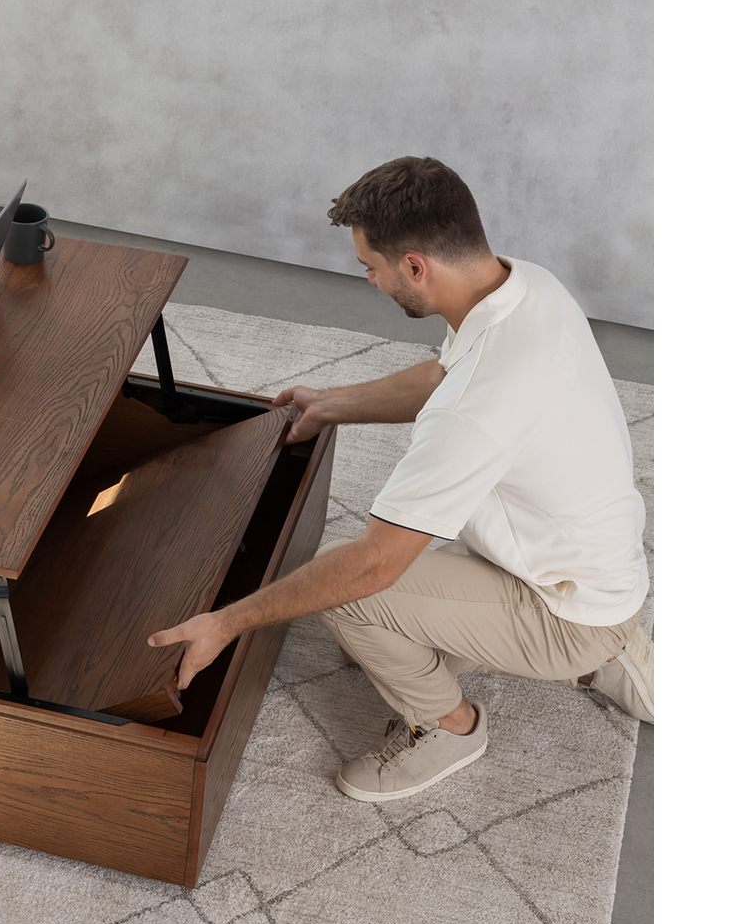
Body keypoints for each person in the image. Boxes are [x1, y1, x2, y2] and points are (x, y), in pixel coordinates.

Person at [146, 156, 653, 802]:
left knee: (349, 593)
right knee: (373, 621)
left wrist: (225, 623)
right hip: (586, 561)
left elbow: (373, 566)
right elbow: (440, 376)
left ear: (415, 265)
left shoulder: (477, 409)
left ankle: (451, 728)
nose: (368, 279)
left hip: (563, 610)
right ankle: (606, 652)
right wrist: (329, 403)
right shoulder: (525, 288)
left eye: (371, 265)